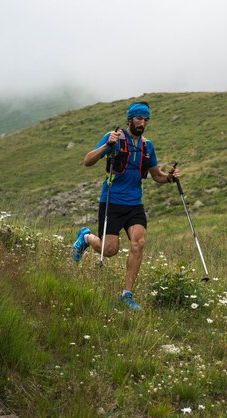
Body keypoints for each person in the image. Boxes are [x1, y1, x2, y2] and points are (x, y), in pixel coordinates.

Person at [71, 101, 180, 310]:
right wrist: (107, 146)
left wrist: (170, 178)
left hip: (134, 204)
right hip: (112, 201)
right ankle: (85, 236)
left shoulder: (147, 146)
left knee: (139, 244)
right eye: (139, 118)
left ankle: (126, 295)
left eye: (146, 119)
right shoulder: (115, 137)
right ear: (130, 119)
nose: (142, 123)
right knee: (110, 250)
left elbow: (157, 175)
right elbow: (87, 161)